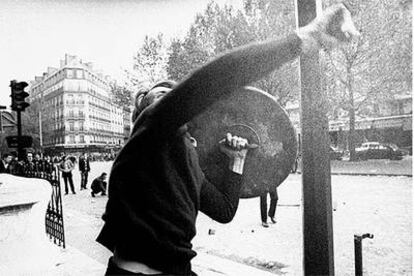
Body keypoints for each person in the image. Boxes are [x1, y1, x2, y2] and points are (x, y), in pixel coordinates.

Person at [96, 4, 359, 275]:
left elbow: (224, 209)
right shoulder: (146, 136)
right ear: (143, 112)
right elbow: (212, 80)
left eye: (171, 93)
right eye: (160, 94)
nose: (168, 95)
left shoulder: (187, 161)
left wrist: (237, 159)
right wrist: (301, 40)